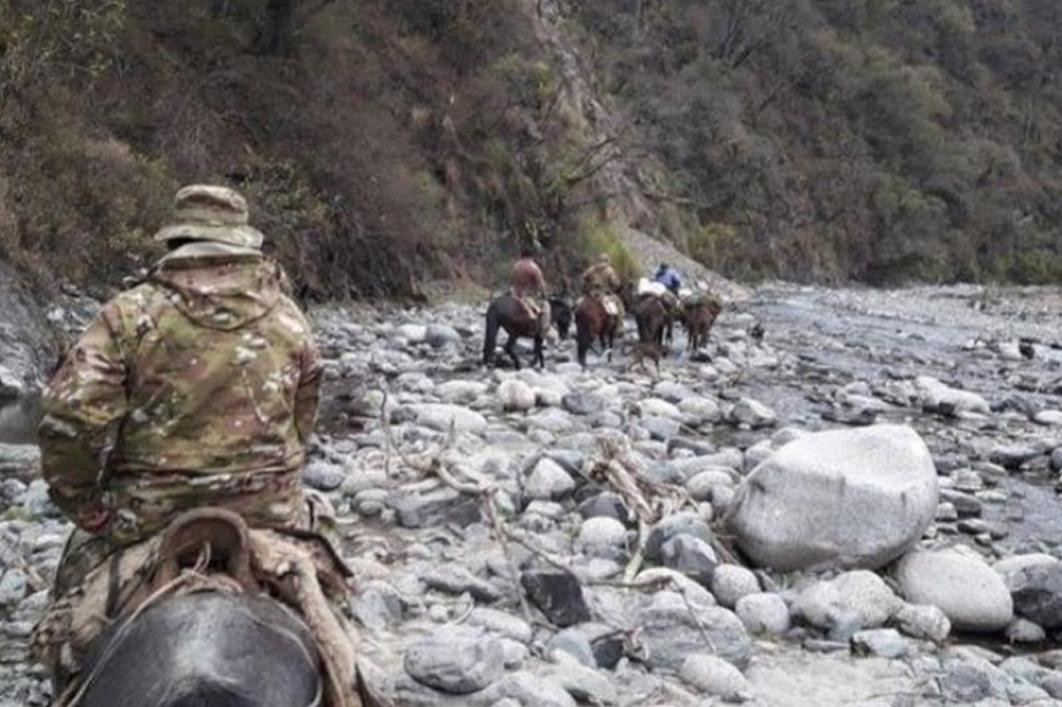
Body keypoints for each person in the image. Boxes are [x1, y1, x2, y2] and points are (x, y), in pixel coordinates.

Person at [37, 184, 323, 598]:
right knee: (327, 561)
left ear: (174, 241)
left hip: (147, 517)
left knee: (72, 606)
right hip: (269, 514)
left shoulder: (128, 315)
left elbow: (71, 420)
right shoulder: (291, 320)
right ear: (243, 246)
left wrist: (84, 506)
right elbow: (303, 422)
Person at [510, 246, 551, 336]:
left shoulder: (516, 266)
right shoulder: (534, 267)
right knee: (546, 308)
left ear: (522, 255)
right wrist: (545, 295)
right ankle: (543, 332)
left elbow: (511, 281)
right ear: (531, 256)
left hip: (514, 294)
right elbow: (541, 286)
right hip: (528, 297)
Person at [581, 252, 623, 317]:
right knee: (619, 305)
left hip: (591, 294)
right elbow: (615, 283)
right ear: (607, 260)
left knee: (578, 305)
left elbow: (583, 279)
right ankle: (620, 325)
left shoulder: (591, 269)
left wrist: (585, 289)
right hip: (605, 295)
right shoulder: (610, 270)